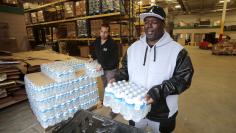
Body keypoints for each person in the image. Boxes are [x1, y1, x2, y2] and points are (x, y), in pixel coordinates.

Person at [110, 6, 194, 133]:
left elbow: (183, 79)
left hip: (162, 113)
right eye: (146, 22)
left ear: (163, 24)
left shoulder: (177, 51)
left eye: (154, 22)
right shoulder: (133, 48)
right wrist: (117, 77)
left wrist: (158, 92)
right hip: (136, 107)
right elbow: (126, 68)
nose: (149, 25)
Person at [90, 23, 119, 88]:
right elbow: (95, 50)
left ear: (108, 33)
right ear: (100, 32)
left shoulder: (112, 44)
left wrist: (102, 65)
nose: (103, 34)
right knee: (104, 85)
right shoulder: (97, 41)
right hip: (101, 69)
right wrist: (92, 57)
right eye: (102, 31)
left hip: (110, 70)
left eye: (105, 32)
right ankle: (106, 98)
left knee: (111, 87)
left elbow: (115, 61)